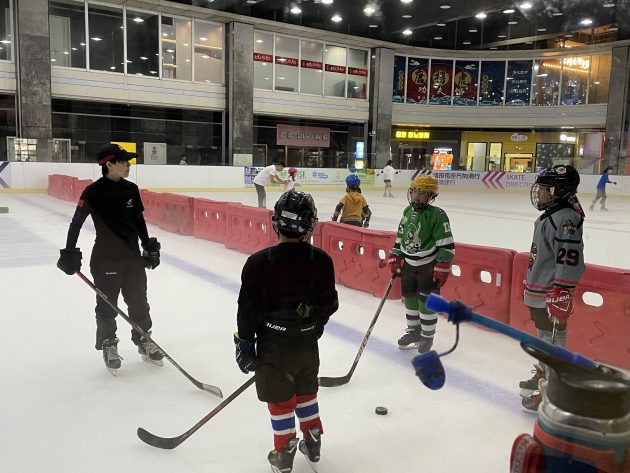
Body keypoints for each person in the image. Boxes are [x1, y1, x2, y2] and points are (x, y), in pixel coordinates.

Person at [234, 190, 339, 473]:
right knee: (306, 391)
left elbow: (247, 309)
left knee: (280, 400)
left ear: (275, 222)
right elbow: (330, 304)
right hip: (306, 346)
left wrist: (244, 344)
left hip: (274, 349)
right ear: (310, 225)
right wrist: (313, 327)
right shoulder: (322, 260)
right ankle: (313, 438)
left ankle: (283, 454)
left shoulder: (259, 262)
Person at [56, 143, 164, 375]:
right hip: (105, 260)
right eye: (124, 161)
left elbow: (138, 220)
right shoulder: (93, 193)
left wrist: (147, 244)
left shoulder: (131, 189)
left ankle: (144, 340)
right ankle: (109, 345)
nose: (129, 165)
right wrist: (69, 251)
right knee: (107, 306)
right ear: (109, 164)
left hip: (132, 259)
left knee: (139, 303)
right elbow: (76, 222)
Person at [520, 164, 585, 414]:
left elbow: (569, 258)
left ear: (559, 190)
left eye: (545, 189)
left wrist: (562, 289)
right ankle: (543, 374)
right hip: (541, 290)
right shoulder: (552, 214)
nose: (540, 193)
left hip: (552, 291)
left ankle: (555, 390)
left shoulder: (565, 217)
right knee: (544, 337)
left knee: (554, 341)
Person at [387, 174, 454, 353]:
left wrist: (443, 264)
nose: (417, 196)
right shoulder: (407, 212)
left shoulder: (437, 215)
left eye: (422, 193)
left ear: (431, 196)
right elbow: (401, 237)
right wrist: (395, 254)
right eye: (415, 192)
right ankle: (414, 331)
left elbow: (446, 244)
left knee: (426, 302)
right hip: (409, 265)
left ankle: (427, 335)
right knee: (409, 298)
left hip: (428, 267)